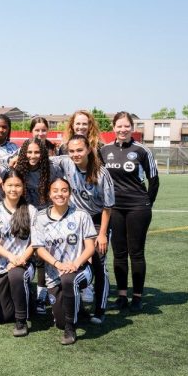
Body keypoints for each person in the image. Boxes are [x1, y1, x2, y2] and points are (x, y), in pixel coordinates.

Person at [52, 134, 115, 324]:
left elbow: (107, 207)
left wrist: (102, 234)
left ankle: (100, 309)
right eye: (71, 151)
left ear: (89, 149)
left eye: (79, 150)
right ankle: (76, 307)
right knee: (73, 262)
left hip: (96, 222)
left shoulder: (101, 173)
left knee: (97, 262)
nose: (75, 154)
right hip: (74, 220)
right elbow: (38, 158)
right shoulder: (65, 162)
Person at [101, 111, 159, 312]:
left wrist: (146, 203)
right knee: (118, 253)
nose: (123, 129)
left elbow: (154, 180)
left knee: (136, 252)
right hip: (114, 208)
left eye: (127, 126)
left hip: (137, 207)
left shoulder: (142, 150)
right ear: (113, 127)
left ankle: (137, 296)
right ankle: (122, 295)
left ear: (132, 128)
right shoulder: (104, 150)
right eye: (119, 126)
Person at [32, 177, 96, 345]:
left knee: (69, 280)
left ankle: (70, 329)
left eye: (64, 190)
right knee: (59, 321)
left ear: (70, 193)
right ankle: (76, 310)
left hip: (80, 269)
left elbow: (90, 247)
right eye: (55, 191)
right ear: (49, 194)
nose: (60, 194)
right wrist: (58, 264)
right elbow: (39, 248)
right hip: (54, 273)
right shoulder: (40, 218)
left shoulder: (81, 215)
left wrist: (75, 263)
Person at [0, 170, 37, 337]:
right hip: (2, 264)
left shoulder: (31, 210)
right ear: (3, 186)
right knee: (4, 316)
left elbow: (35, 243)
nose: (13, 189)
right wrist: (11, 257)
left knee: (16, 275)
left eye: (17, 185)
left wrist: (20, 259)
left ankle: (21, 321)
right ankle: (29, 297)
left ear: (23, 187)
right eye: (10, 185)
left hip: (24, 263)